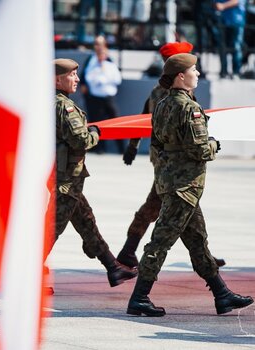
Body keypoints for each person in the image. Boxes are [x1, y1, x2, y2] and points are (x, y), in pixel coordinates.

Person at [126, 53, 253, 316]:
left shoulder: (161, 104)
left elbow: (158, 144)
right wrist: (215, 144)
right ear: (181, 76)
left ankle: (222, 295)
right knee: (160, 242)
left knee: (197, 242)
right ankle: (139, 297)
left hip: (171, 183)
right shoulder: (189, 108)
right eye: (194, 70)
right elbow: (200, 151)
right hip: (185, 187)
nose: (198, 74)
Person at [117, 42, 226, 269]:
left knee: (181, 209)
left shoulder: (159, 91)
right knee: (160, 207)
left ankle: (203, 258)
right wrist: (133, 145)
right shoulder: (171, 93)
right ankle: (130, 251)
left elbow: (144, 116)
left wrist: (134, 145)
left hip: (167, 160)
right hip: (175, 164)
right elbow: (147, 119)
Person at [45, 58, 137, 293]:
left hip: (66, 177)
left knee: (86, 222)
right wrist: (95, 132)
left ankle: (112, 267)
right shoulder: (63, 107)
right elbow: (81, 140)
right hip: (66, 179)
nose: (77, 79)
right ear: (58, 79)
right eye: (72, 75)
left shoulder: (50, 102)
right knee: (50, 231)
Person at [80, 35, 124, 154]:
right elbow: (85, 75)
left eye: (100, 44)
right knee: (97, 123)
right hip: (94, 96)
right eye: (96, 44)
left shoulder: (110, 63)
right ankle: (99, 148)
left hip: (108, 96)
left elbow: (116, 78)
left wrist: (104, 78)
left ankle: (122, 148)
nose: (98, 48)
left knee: (115, 121)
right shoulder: (91, 60)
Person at [214, 0, 247, 79]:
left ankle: (236, 72)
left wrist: (223, 6)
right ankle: (223, 72)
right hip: (223, 20)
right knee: (222, 47)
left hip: (236, 20)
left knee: (236, 46)